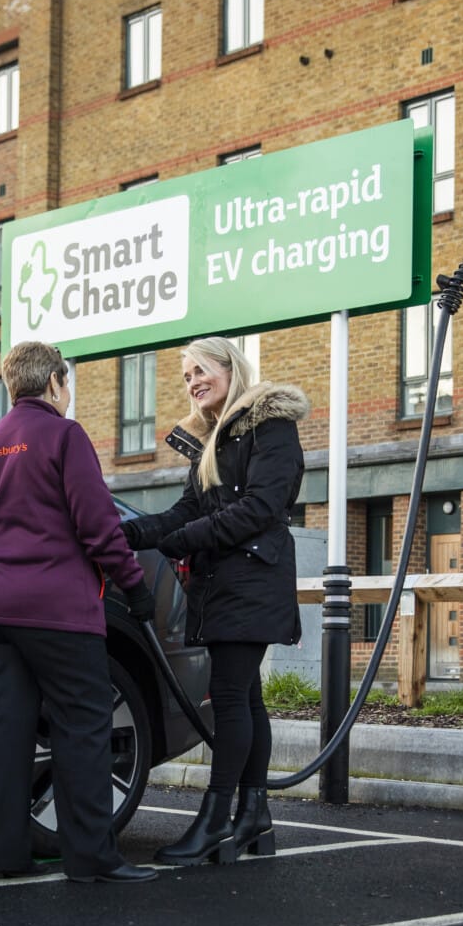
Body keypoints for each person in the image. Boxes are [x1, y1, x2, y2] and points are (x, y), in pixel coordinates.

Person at [0, 341, 158, 885]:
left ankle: (0, 857)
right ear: (53, 383)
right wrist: (134, 586)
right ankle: (92, 858)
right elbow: (98, 525)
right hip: (55, 610)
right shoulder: (65, 436)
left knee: (5, 727)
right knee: (83, 723)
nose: (67, 395)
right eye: (66, 385)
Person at [121, 337, 306, 866]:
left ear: (230, 368)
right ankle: (253, 816)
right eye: (185, 377)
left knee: (228, 698)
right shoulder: (213, 443)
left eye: (200, 370)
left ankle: (215, 820)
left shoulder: (272, 427)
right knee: (245, 700)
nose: (193, 382)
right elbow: (182, 512)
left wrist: (179, 541)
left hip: (253, 582)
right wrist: (123, 533)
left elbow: (260, 508)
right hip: (224, 585)